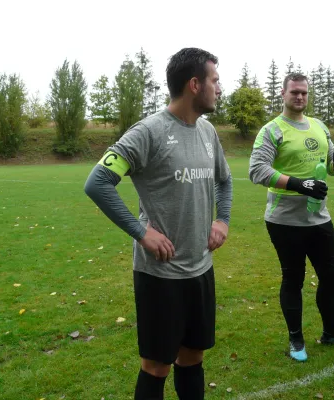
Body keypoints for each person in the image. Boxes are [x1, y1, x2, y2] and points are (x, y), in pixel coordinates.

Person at [84, 48, 232, 399]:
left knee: (192, 357)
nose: (220, 88)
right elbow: (98, 182)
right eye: (215, 80)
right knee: (156, 366)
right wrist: (141, 232)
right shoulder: (148, 132)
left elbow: (224, 180)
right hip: (160, 275)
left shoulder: (208, 132)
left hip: (200, 268)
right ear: (195, 84)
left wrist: (222, 220)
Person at [248, 73, 334, 362]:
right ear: (283, 94)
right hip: (284, 221)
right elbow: (257, 170)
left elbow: (329, 162)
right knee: (293, 278)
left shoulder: (320, 127)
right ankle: (296, 340)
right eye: (294, 92)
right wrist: (299, 184)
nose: (300, 97)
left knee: (332, 274)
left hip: (319, 218)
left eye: (304, 93)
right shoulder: (271, 131)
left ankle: (331, 332)